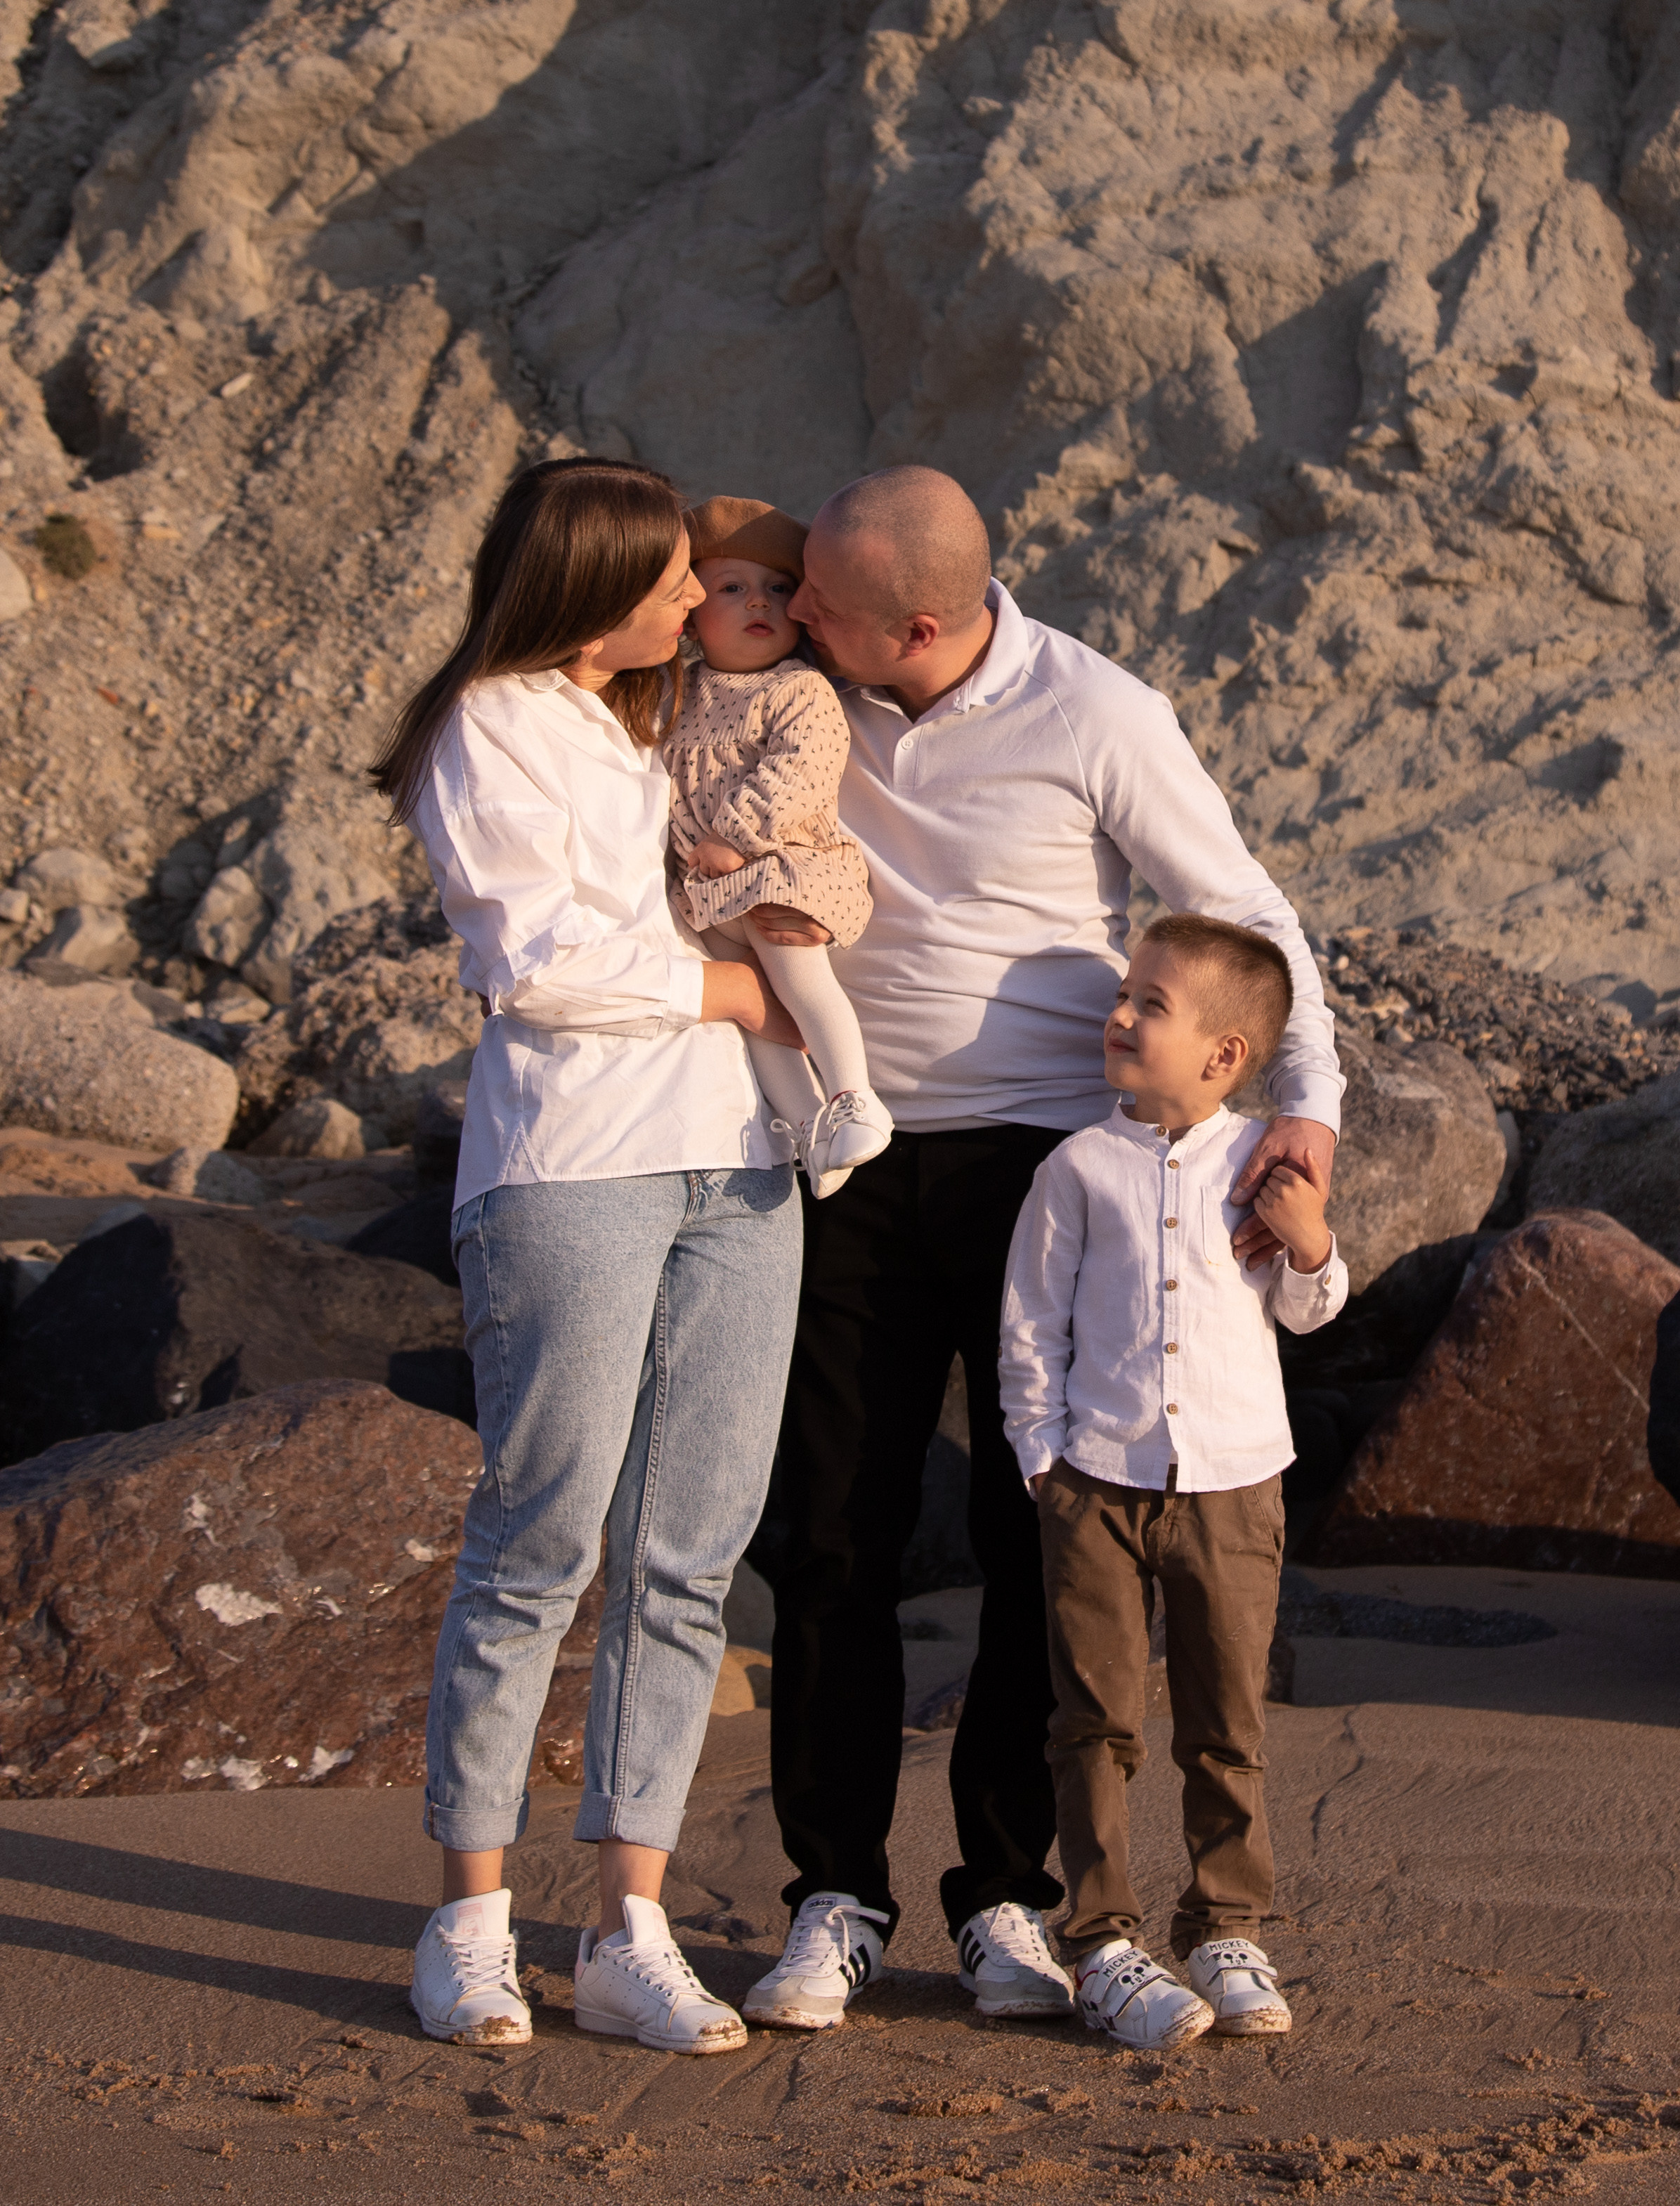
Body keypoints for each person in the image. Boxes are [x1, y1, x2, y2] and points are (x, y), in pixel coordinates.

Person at [741, 465, 1344, 2032]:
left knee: (1039, 1538)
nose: (793, 615)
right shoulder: (801, 688)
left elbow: (1240, 911)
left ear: (920, 625)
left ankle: (1003, 1894)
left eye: (821, 600)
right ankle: (834, 1892)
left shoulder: (1095, 710)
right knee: (828, 1533)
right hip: (843, 1156)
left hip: (1042, 1167)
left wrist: (1311, 1110)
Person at [370, 457, 803, 2056]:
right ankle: (466, 1922)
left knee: (689, 1555)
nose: (697, 602)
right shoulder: (482, 722)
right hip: (570, 1169)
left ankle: (628, 1927)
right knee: (538, 1542)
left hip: (739, 1165)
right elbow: (535, 962)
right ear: (588, 580)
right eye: (670, 579)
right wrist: (733, 992)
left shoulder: (646, 718)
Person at [1001, 914, 1348, 2049]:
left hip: (1238, 1487)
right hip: (1095, 1483)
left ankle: (1225, 1921)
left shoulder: (1262, 1167)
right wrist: (1043, 1459)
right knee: (1093, 1717)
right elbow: (1030, 1323)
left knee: (1225, 1716)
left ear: (1223, 1054)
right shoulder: (1076, 1168)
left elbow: (1309, 1309)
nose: (1120, 1014)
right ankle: (1102, 1935)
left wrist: (1310, 1243)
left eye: (1150, 1002)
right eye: (1125, 993)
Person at [665, 494, 893, 1194]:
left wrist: (734, 837)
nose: (758, 602)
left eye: (777, 588)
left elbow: (800, 771)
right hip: (708, 883)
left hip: (784, 868)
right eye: (732, 589)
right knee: (756, 1009)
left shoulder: (795, 689)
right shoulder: (681, 693)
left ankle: (855, 1098)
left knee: (796, 975)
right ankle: (806, 1128)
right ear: (693, 616)